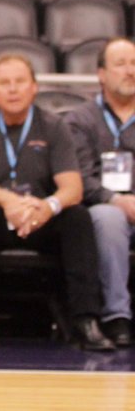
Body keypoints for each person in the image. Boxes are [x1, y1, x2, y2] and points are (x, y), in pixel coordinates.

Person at [0, 54, 113, 351]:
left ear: (34, 88)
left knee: (77, 216)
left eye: (20, 82)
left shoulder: (54, 126)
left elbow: (72, 187)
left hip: (41, 216)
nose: (13, 89)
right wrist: (11, 203)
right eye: (4, 83)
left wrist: (47, 207)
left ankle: (87, 320)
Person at [64, 37, 135, 348]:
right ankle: (117, 317)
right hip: (102, 205)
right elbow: (79, 175)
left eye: (134, 64)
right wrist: (116, 199)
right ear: (102, 74)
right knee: (108, 219)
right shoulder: (80, 119)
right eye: (120, 64)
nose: (130, 71)